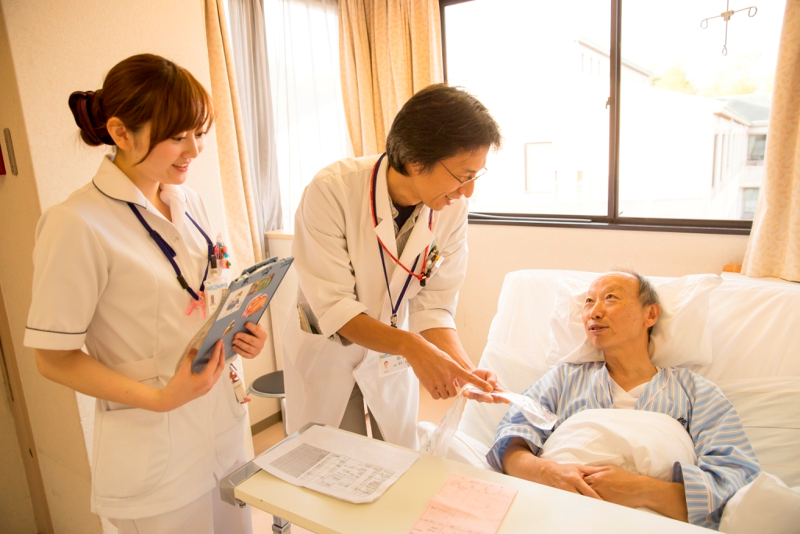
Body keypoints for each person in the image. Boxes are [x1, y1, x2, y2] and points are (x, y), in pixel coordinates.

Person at [24, 54, 266, 534]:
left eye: (199, 132)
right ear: (120, 132)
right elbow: (52, 358)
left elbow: (206, 293)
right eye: (177, 136)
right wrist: (160, 399)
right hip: (156, 454)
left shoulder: (188, 200)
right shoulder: (76, 224)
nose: (194, 149)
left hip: (222, 431)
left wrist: (241, 332)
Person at [285, 84, 504, 448]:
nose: (467, 192)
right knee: (330, 462)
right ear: (417, 161)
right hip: (328, 354)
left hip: (390, 360)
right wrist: (413, 347)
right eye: (463, 176)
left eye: (474, 177)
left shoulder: (451, 209)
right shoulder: (331, 191)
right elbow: (336, 309)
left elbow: (434, 307)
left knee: (398, 463)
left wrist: (465, 370)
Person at [487, 271, 760, 530]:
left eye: (610, 298)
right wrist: (549, 472)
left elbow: (734, 480)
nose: (594, 312)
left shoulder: (697, 392)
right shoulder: (562, 379)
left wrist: (642, 490)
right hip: (557, 511)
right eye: (589, 302)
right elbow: (510, 444)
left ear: (650, 314)